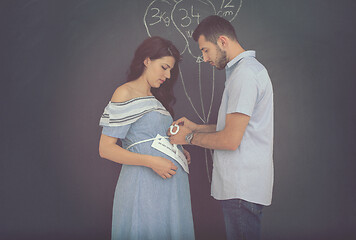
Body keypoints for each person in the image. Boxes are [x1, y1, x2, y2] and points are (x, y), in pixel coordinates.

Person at [169, 15, 274, 240]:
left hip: (241, 188)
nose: (204, 58)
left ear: (223, 42)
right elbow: (236, 128)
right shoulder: (245, 72)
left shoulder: (244, 75)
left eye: (206, 50)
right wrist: (197, 127)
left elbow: (229, 140)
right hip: (243, 188)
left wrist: (188, 137)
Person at [98, 36, 195, 240]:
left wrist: (178, 149)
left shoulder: (156, 100)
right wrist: (151, 161)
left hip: (171, 190)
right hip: (145, 187)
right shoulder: (125, 93)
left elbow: (151, 137)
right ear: (147, 60)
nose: (168, 75)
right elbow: (105, 149)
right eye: (164, 67)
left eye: (170, 70)